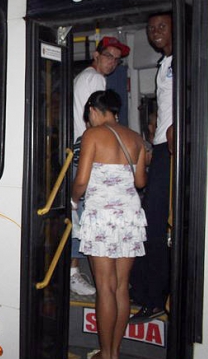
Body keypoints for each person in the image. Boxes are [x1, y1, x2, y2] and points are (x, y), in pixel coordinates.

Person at [71, 90, 147, 359]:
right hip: (129, 218)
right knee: (120, 287)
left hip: (102, 217)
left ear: (92, 109)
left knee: (104, 287)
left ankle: (106, 353)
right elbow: (140, 183)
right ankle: (114, 351)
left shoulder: (92, 135)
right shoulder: (136, 138)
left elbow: (81, 181)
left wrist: (73, 199)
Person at [71, 36, 131, 296]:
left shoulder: (82, 77)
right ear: (96, 55)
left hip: (81, 150)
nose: (112, 62)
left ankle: (77, 273)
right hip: (88, 153)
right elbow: (93, 120)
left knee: (80, 219)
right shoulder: (95, 79)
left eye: (117, 59)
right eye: (108, 56)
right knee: (87, 219)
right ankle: (93, 279)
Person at [129, 13, 173, 323]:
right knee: (152, 227)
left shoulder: (183, 58)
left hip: (170, 150)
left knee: (156, 229)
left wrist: (176, 129)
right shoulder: (165, 64)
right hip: (159, 148)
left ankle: (154, 298)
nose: (155, 31)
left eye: (161, 26)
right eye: (151, 27)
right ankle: (149, 293)